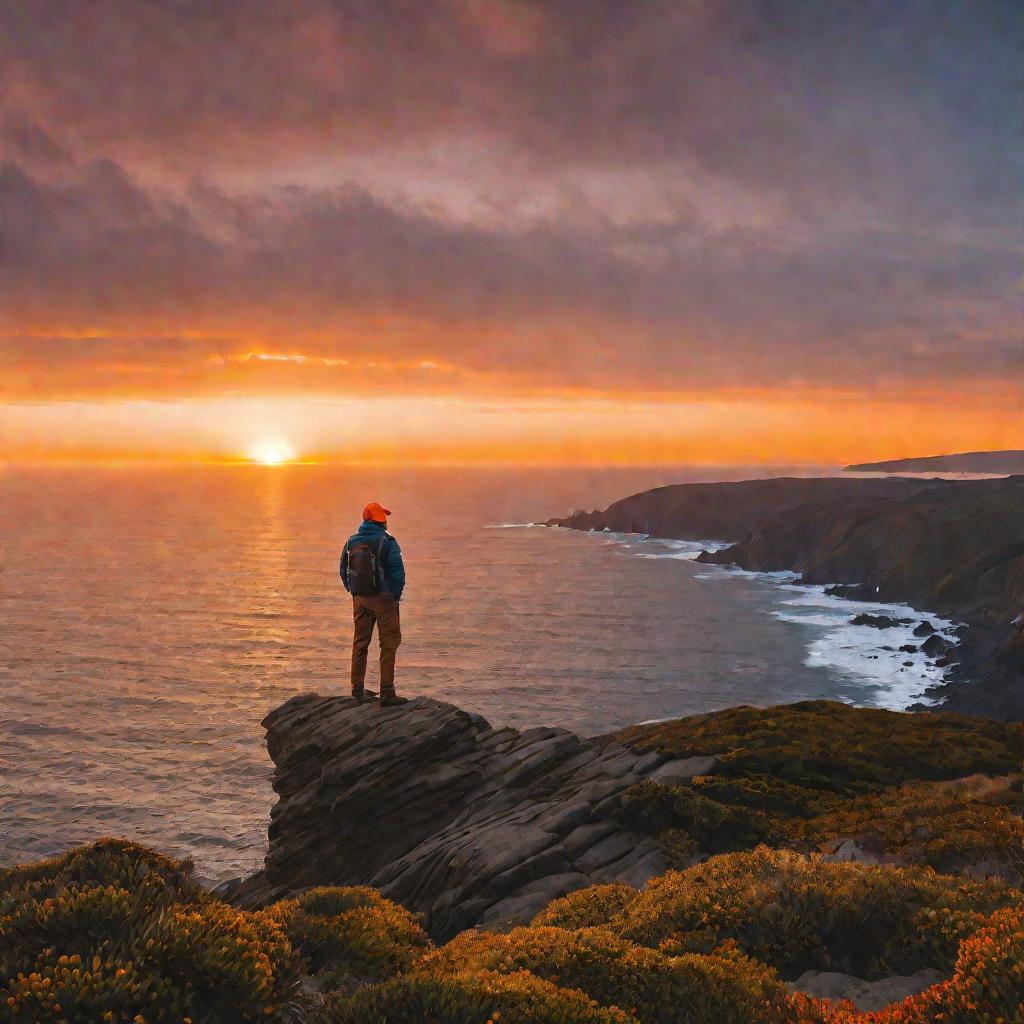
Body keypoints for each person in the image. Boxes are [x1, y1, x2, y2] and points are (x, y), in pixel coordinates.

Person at [339, 502, 408, 707]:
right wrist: (393, 597)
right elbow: (398, 575)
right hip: (383, 600)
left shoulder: (352, 540)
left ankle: (357, 689)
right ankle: (387, 692)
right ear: (379, 521)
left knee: (360, 643)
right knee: (389, 643)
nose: (385, 520)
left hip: (360, 599)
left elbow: (343, 569)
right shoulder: (387, 542)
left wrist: (354, 592)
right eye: (383, 517)